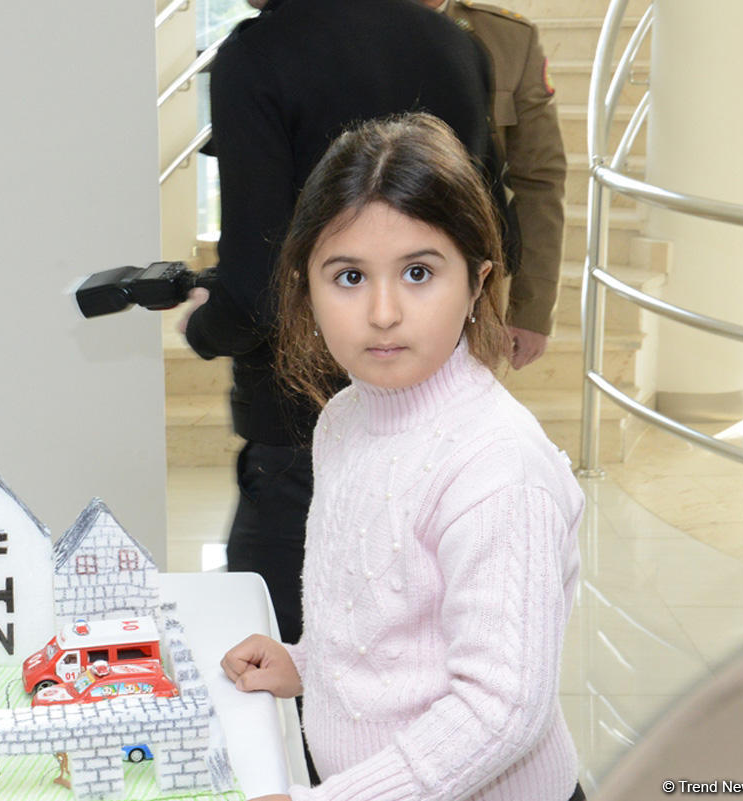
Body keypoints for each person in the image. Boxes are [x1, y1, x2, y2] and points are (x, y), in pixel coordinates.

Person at [221, 114, 584, 800]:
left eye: (419, 271)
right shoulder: (345, 418)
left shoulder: (497, 469)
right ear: (307, 285)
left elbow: (500, 709)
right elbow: (381, 623)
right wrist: (308, 666)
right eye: (349, 276)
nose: (383, 311)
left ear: (478, 283)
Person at [181, 0, 502, 647]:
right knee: (418, 657)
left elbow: (256, 292)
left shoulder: (256, 56)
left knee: (278, 677)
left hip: (299, 421)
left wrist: (201, 325)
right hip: (431, 414)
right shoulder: (455, 46)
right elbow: (495, 227)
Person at [425, 0, 568, 368]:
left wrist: (531, 309)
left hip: (474, 283)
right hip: (369, 275)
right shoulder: (351, 25)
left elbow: (539, 179)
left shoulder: (508, 40)